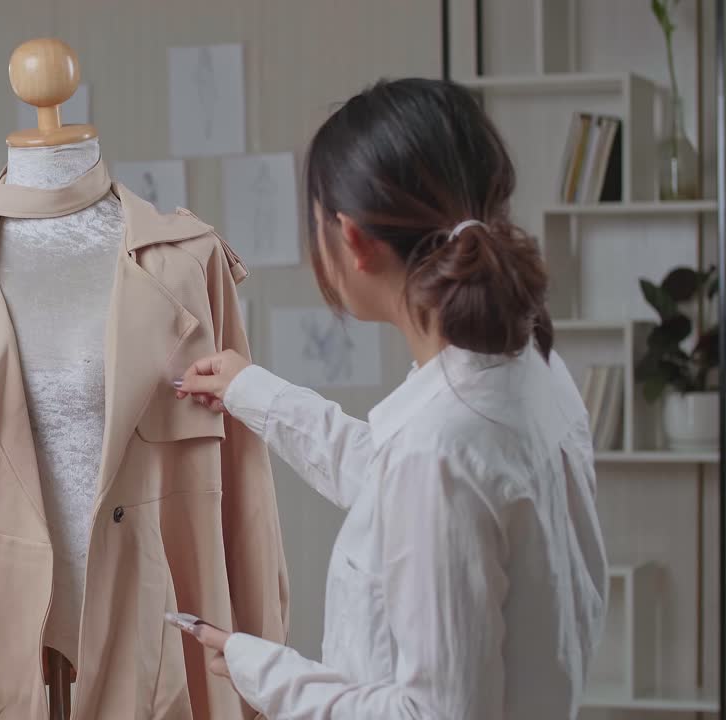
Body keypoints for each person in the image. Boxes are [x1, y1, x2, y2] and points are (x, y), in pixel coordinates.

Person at [173, 78, 607, 719]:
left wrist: (265, 671)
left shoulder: (441, 444)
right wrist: (255, 392)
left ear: (351, 239)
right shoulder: (527, 367)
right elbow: (396, 483)